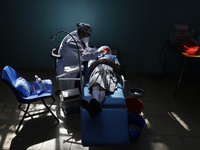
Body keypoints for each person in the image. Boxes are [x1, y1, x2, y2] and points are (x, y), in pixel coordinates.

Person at [56, 22, 104, 92]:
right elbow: (83, 56)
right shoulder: (72, 41)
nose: (88, 37)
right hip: (68, 64)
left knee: (77, 83)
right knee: (70, 88)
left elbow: (85, 49)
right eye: (87, 35)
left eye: (89, 35)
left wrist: (94, 50)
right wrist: (98, 52)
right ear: (82, 32)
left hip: (75, 60)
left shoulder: (80, 36)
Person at [81, 46, 120, 117]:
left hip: (108, 71)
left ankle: (93, 107)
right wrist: (98, 61)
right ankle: (96, 106)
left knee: (103, 87)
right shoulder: (95, 57)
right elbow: (90, 68)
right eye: (102, 51)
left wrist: (111, 62)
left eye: (106, 51)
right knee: (95, 84)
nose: (104, 52)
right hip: (97, 71)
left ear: (109, 52)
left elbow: (118, 70)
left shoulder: (113, 57)